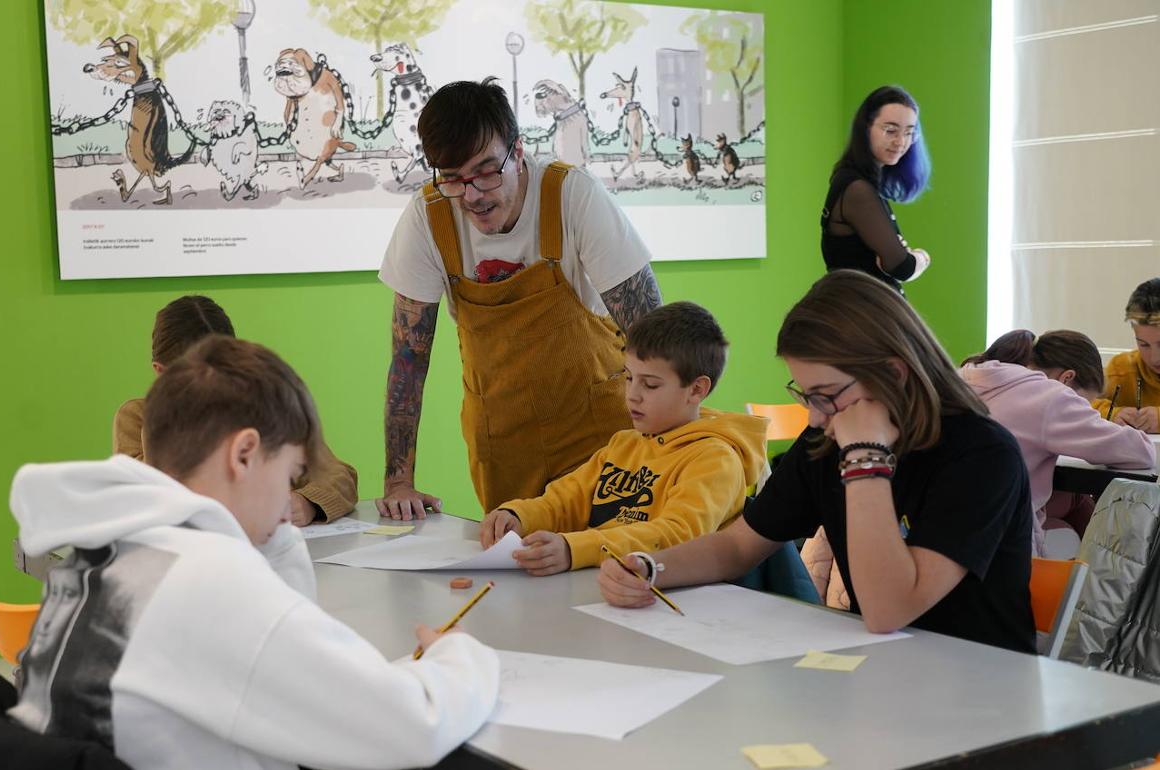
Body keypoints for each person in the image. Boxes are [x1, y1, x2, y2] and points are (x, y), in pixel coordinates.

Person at [9, 336, 499, 770]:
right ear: (244, 454)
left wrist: (268, 533)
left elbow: (283, 647)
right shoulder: (206, 581)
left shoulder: (110, 552)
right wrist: (461, 654)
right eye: (289, 473)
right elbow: (413, 725)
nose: (288, 502)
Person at [599, 271, 1036, 654]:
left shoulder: (981, 454)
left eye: (827, 395)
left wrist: (865, 459)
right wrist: (652, 566)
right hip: (883, 674)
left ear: (894, 375)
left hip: (982, 686)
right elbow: (737, 547)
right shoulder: (826, 440)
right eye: (807, 396)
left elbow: (888, 609)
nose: (816, 417)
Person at [377, 78, 661, 520]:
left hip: (604, 441)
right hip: (503, 447)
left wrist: (673, 451)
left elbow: (652, 334)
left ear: (519, 150)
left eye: (487, 171)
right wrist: (398, 482)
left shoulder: (572, 196)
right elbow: (408, 361)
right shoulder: (428, 218)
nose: (472, 195)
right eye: (453, 178)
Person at [477, 302, 767, 575]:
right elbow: (565, 500)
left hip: (675, 601)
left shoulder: (716, 459)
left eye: (650, 385)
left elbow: (675, 537)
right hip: (604, 581)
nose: (632, 394)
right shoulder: (624, 444)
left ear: (696, 390)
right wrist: (517, 515)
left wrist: (575, 549)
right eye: (628, 378)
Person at [113, 295, 358, 526]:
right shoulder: (137, 418)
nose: (210, 390)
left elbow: (339, 475)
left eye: (222, 373)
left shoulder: (262, 410)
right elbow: (140, 499)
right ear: (161, 372)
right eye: (193, 378)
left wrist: (307, 503)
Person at [960, 329, 1154, 555]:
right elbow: (1141, 453)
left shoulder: (968, 375)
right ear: (1067, 378)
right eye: (1083, 404)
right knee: (1078, 508)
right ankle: (1101, 580)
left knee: (1072, 498)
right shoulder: (1050, 397)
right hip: (999, 530)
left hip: (944, 517)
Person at [822, 85, 932, 293]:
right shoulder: (857, 188)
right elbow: (902, 267)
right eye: (890, 130)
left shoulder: (861, 183)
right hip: (859, 312)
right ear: (865, 128)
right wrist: (923, 257)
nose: (900, 142)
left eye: (909, 132)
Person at [1093, 277, 1160, 432]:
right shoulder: (1121, 369)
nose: (1155, 358)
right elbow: (1077, 405)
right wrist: (1110, 414)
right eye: (1143, 344)